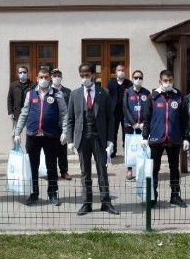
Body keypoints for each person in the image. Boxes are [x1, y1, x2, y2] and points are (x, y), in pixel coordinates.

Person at [66, 63, 119, 216]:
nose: (84, 78)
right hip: (82, 138)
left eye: (87, 75)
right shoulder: (75, 94)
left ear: (93, 75)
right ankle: (86, 203)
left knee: (102, 170)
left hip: (99, 138)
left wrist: (110, 140)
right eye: (82, 75)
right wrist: (70, 140)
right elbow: (70, 119)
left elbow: (111, 118)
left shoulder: (104, 93)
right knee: (85, 172)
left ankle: (106, 202)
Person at [14, 69, 68, 206]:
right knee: (33, 166)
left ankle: (53, 193)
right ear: (37, 79)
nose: (44, 79)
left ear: (50, 79)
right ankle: (34, 193)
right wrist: (17, 132)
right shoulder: (30, 94)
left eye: (46, 77)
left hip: (51, 135)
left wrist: (65, 132)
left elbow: (64, 113)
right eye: (41, 77)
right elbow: (24, 113)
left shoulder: (57, 94)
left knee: (51, 167)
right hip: (33, 135)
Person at [141, 70, 189, 208]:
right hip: (156, 139)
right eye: (165, 81)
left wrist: (186, 138)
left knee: (174, 168)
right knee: (154, 169)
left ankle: (175, 195)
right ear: (160, 81)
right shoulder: (152, 97)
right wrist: (145, 137)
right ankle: (153, 196)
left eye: (170, 80)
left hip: (174, 138)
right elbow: (147, 119)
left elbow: (185, 120)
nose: (168, 83)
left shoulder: (179, 98)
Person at [122, 69, 150, 180]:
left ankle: (141, 168)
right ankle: (129, 169)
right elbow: (125, 108)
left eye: (140, 78)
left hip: (142, 125)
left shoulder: (146, 92)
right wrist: (133, 123)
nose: (138, 80)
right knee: (129, 146)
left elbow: (148, 109)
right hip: (130, 125)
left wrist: (143, 123)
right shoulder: (127, 91)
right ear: (132, 79)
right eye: (136, 78)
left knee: (142, 146)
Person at [50, 68, 72, 180]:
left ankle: (64, 171)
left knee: (62, 150)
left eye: (58, 75)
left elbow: (71, 109)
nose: (56, 77)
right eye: (54, 76)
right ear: (51, 77)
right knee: (50, 150)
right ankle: (51, 172)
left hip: (63, 124)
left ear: (61, 77)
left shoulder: (67, 91)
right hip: (51, 125)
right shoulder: (47, 91)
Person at [107, 63, 132, 158]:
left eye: (123, 70)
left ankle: (127, 151)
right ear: (115, 72)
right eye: (119, 70)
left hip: (126, 112)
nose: (121, 72)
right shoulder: (111, 83)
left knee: (126, 132)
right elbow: (108, 97)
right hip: (114, 112)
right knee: (113, 132)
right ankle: (113, 152)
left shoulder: (129, 83)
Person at [8, 65, 34, 134]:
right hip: (17, 113)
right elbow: (10, 99)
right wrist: (10, 112)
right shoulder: (13, 85)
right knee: (16, 133)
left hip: (30, 113)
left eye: (24, 72)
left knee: (29, 132)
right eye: (20, 72)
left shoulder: (33, 85)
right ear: (17, 74)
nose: (22, 74)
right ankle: (15, 145)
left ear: (27, 73)